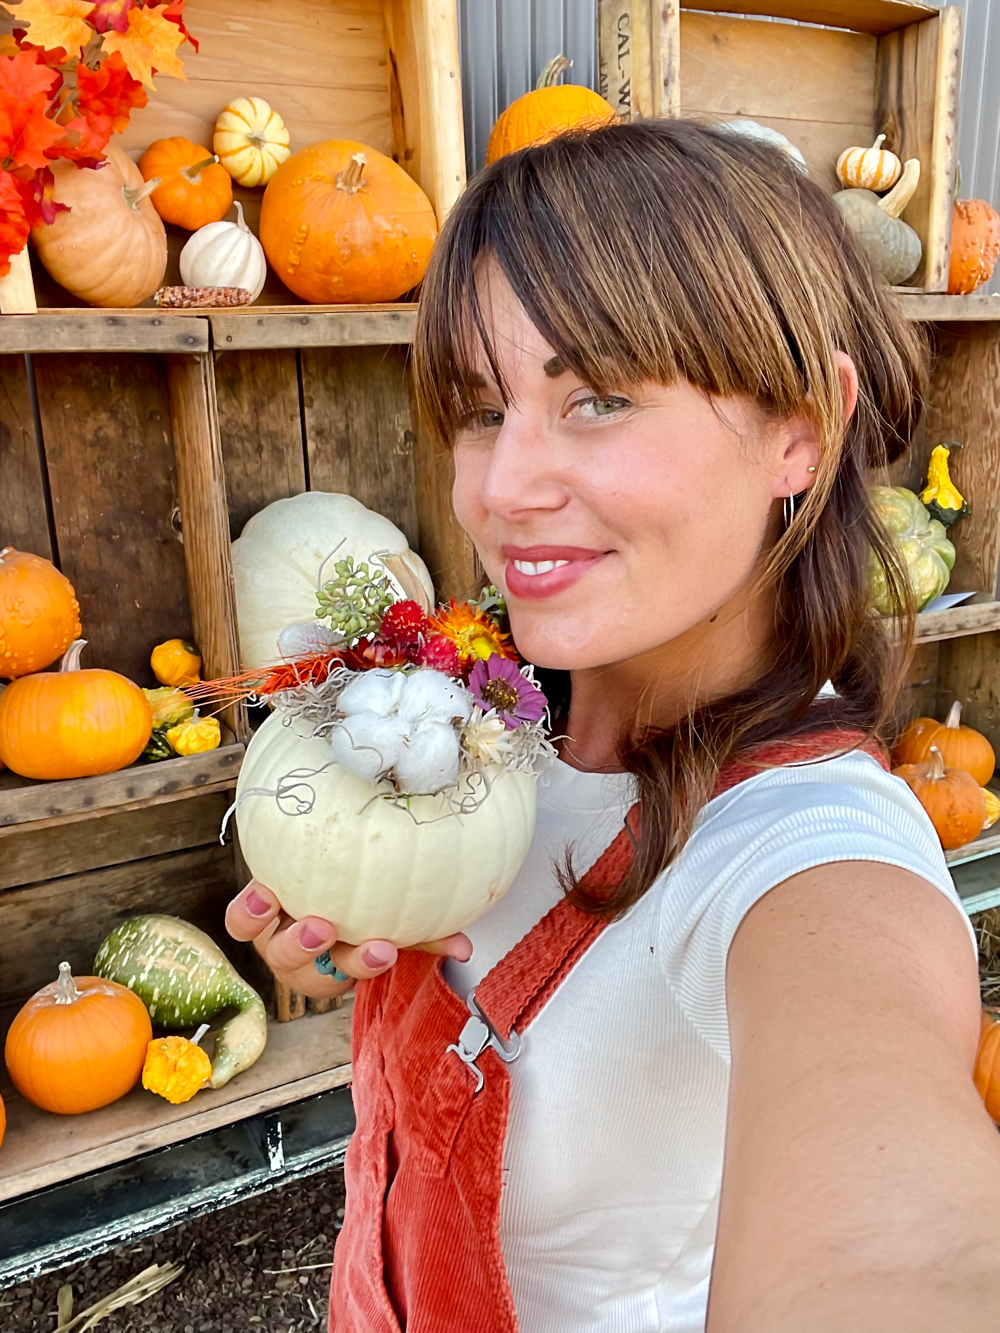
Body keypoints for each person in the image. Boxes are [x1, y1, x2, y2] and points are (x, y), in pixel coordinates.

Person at [226, 120, 1000, 1333]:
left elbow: (889, 1238)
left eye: (596, 397)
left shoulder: (806, 860)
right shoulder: (487, 724)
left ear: (800, 426)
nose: (499, 488)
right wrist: (351, 928)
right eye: (481, 409)